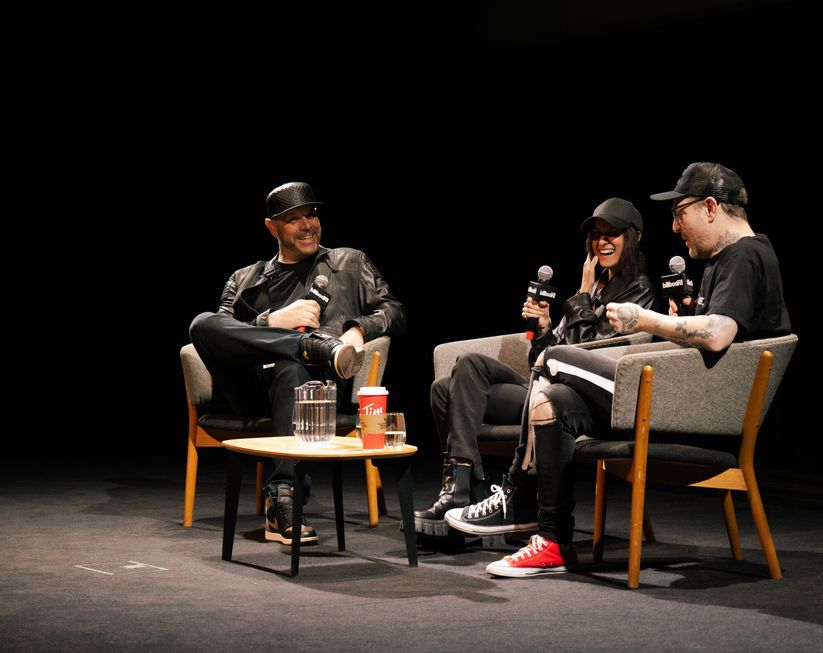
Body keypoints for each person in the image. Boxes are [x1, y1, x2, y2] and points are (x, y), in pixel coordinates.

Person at [447, 162, 791, 577]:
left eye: (680, 214)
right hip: (685, 400)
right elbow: (716, 339)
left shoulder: (743, 256)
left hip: (688, 410)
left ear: (712, 207)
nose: (677, 229)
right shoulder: (732, 261)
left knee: (554, 359)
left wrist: (644, 320)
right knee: (553, 401)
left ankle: (518, 496)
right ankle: (554, 542)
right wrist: (676, 327)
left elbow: (718, 335)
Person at [416, 198, 658, 536]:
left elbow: (589, 352)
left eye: (612, 234)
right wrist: (544, 328)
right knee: (446, 386)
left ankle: (464, 492)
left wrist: (584, 293)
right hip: (545, 384)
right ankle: (469, 487)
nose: (601, 242)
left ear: (634, 238)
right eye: (596, 235)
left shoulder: (639, 291)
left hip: (575, 400)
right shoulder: (595, 287)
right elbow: (546, 358)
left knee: (462, 377)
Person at [189, 181, 406, 545]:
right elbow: (219, 333)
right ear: (272, 228)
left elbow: (394, 311)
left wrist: (357, 329)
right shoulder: (245, 279)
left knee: (294, 371)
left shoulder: (348, 262)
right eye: (293, 219)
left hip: (316, 390)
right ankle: (310, 346)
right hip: (251, 386)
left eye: (312, 214)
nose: (307, 225)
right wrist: (269, 322)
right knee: (201, 323)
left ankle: (283, 501)